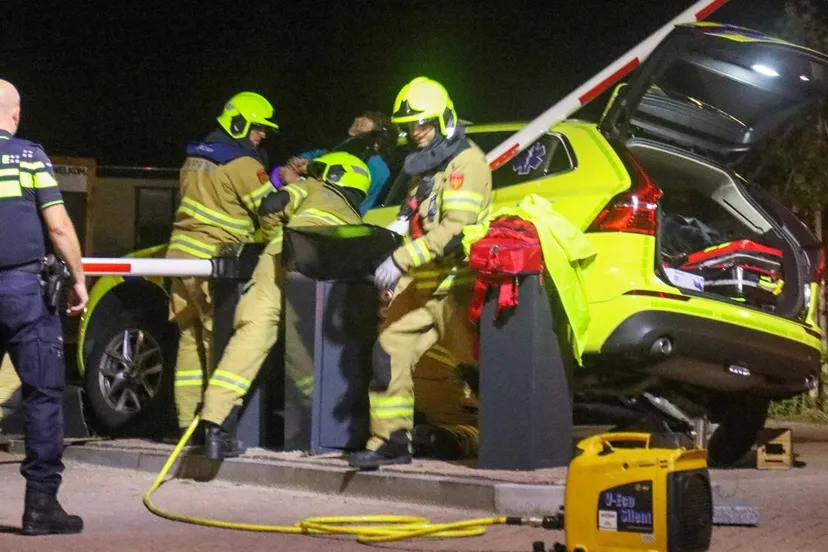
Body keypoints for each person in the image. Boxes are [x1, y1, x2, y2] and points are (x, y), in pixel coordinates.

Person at [348, 76, 492, 469]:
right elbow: (411, 217)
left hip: (455, 285)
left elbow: (453, 232)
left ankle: (504, 442)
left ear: (444, 118)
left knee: (477, 369)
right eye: (410, 127)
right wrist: (389, 239)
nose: (416, 133)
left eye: (423, 124)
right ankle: (391, 441)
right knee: (388, 351)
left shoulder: (466, 162)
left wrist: (400, 260)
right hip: (424, 284)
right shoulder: (425, 167)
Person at [199, 151, 371, 460]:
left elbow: (271, 204)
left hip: (282, 255)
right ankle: (311, 424)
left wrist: (277, 240)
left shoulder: (314, 189)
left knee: (252, 335)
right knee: (307, 347)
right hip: (324, 273)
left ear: (334, 175)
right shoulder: (356, 219)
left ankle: (215, 425)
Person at [0, 79, 88, 534]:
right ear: (14, 115)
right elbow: (57, 227)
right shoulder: (29, 156)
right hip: (21, 291)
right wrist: (78, 278)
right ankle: (40, 508)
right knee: (42, 397)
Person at [165, 91, 279, 438]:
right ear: (239, 122)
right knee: (219, 340)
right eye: (258, 128)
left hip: (179, 258)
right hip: (214, 261)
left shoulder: (194, 157)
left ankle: (185, 423)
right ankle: (217, 426)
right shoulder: (244, 164)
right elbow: (269, 213)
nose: (261, 136)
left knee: (188, 338)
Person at [271, 112, 397, 214]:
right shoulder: (345, 152)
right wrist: (301, 162)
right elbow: (319, 155)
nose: (351, 135)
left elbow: (346, 206)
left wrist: (297, 182)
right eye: (352, 129)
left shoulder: (376, 168)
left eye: (358, 133)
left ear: (376, 143)